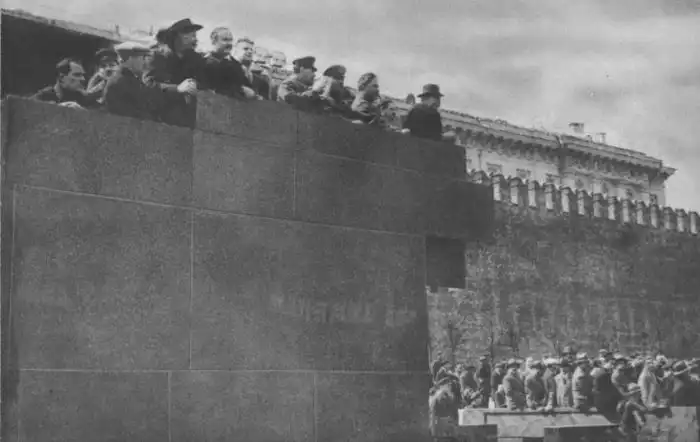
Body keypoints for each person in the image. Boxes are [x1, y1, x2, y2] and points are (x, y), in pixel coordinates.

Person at [142, 18, 207, 127]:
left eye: (195, 35)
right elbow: (148, 85)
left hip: (186, 120)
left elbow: (203, 81)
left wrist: (196, 85)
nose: (194, 39)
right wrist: (177, 89)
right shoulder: (157, 56)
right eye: (190, 35)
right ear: (176, 36)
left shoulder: (195, 58)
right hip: (160, 119)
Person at [103, 42, 158, 121]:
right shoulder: (120, 82)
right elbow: (129, 114)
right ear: (130, 59)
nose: (144, 62)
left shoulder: (127, 79)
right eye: (142, 58)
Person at [203, 27, 256, 99]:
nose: (229, 43)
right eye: (225, 40)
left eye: (231, 40)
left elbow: (248, 90)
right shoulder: (202, 62)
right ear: (214, 42)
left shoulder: (236, 65)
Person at [30, 58, 97, 109]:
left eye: (83, 75)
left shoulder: (82, 99)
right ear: (62, 78)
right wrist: (57, 108)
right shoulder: (43, 96)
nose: (83, 79)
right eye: (77, 75)